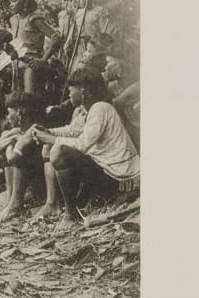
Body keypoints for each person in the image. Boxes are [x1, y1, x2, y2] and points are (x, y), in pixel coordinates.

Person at [30, 68, 140, 230]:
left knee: (60, 151)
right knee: (52, 146)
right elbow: (72, 131)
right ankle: (54, 203)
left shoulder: (101, 108)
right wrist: (47, 132)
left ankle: (70, 213)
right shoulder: (88, 110)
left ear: (83, 91)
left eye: (70, 91)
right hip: (106, 167)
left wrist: (51, 139)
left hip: (120, 176)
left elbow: (83, 144)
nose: (68, 95)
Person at [0, 91, 48, 223]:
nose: (8, 117)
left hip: (42, 183)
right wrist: (12, 140)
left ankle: (15, 205)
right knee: (7, 154)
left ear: (19, 113)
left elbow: (13, 159)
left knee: (20, 157)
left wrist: (10, 146)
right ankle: (11, 200)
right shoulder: (17, 131)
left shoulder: (35, 130)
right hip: (32, 181)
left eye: (9, 112)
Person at [5, 0, 62, 94]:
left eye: (14, 1)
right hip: (15, 63)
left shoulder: (34, 19)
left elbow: (56, 37)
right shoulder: (13, 20)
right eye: (10, 1)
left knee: (29, 96)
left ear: (25, 1)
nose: (10, 4)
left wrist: (43, 59)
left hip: (31, 64)